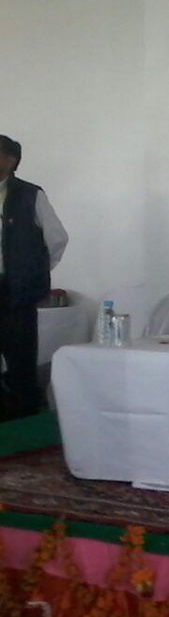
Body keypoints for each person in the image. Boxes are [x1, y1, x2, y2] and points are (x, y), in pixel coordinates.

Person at [0, 136, 68, 419]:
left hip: (16, 291)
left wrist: (33, 273)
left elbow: (57, 239)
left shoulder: (30, 195)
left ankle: (25, 415)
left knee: (20, 357)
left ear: (11, 160)